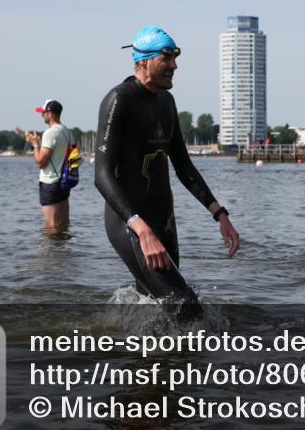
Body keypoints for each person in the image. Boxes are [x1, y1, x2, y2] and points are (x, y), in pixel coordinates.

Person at [94, 26, 240, 317]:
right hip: (131, 223)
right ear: (143, 60)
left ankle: (141, 355)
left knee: (159, 306)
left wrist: (219, 213)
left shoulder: (166, 101)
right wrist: (141, 228)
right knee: (186, 308)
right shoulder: (119, 99)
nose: (174, 65)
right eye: (167, 57)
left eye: (175, 57)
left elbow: (184, 166)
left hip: (164, 221)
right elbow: (102, 175)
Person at [25, 99, 72, 232]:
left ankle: (51, 252)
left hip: (50, 182)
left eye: (43, 112)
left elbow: (40, 162)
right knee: (63, 223)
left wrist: (35, 144)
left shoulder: (50, 133)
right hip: (64, 181)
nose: (42, 115)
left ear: (50, 113)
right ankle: (63, 250)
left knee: (51, 225)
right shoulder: (67, 131)